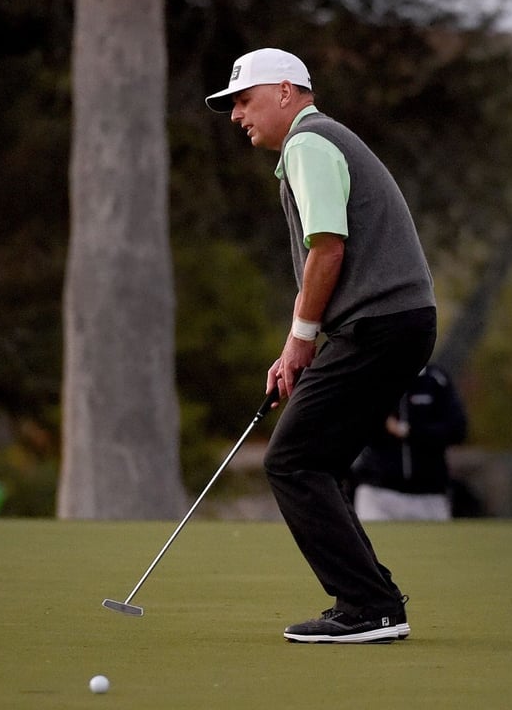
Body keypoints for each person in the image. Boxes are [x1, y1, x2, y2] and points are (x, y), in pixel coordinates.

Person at [205, 48, 437, 644]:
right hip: (394, 321)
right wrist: (303, 341)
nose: (236, 115)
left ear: (286, 91)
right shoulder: (318, 142)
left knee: (292, 460)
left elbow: (327, 248)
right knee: (317, 461)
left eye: (244, 100)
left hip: (380, 323)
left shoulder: (309, 143)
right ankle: (374, 602)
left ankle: (369, 606)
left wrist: (299, 340)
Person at [350, 364, 468, 521]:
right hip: (378, 492)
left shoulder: (437, 380)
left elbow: (457, 429)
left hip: (429, 494)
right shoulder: (373, 376)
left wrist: (408, 431)